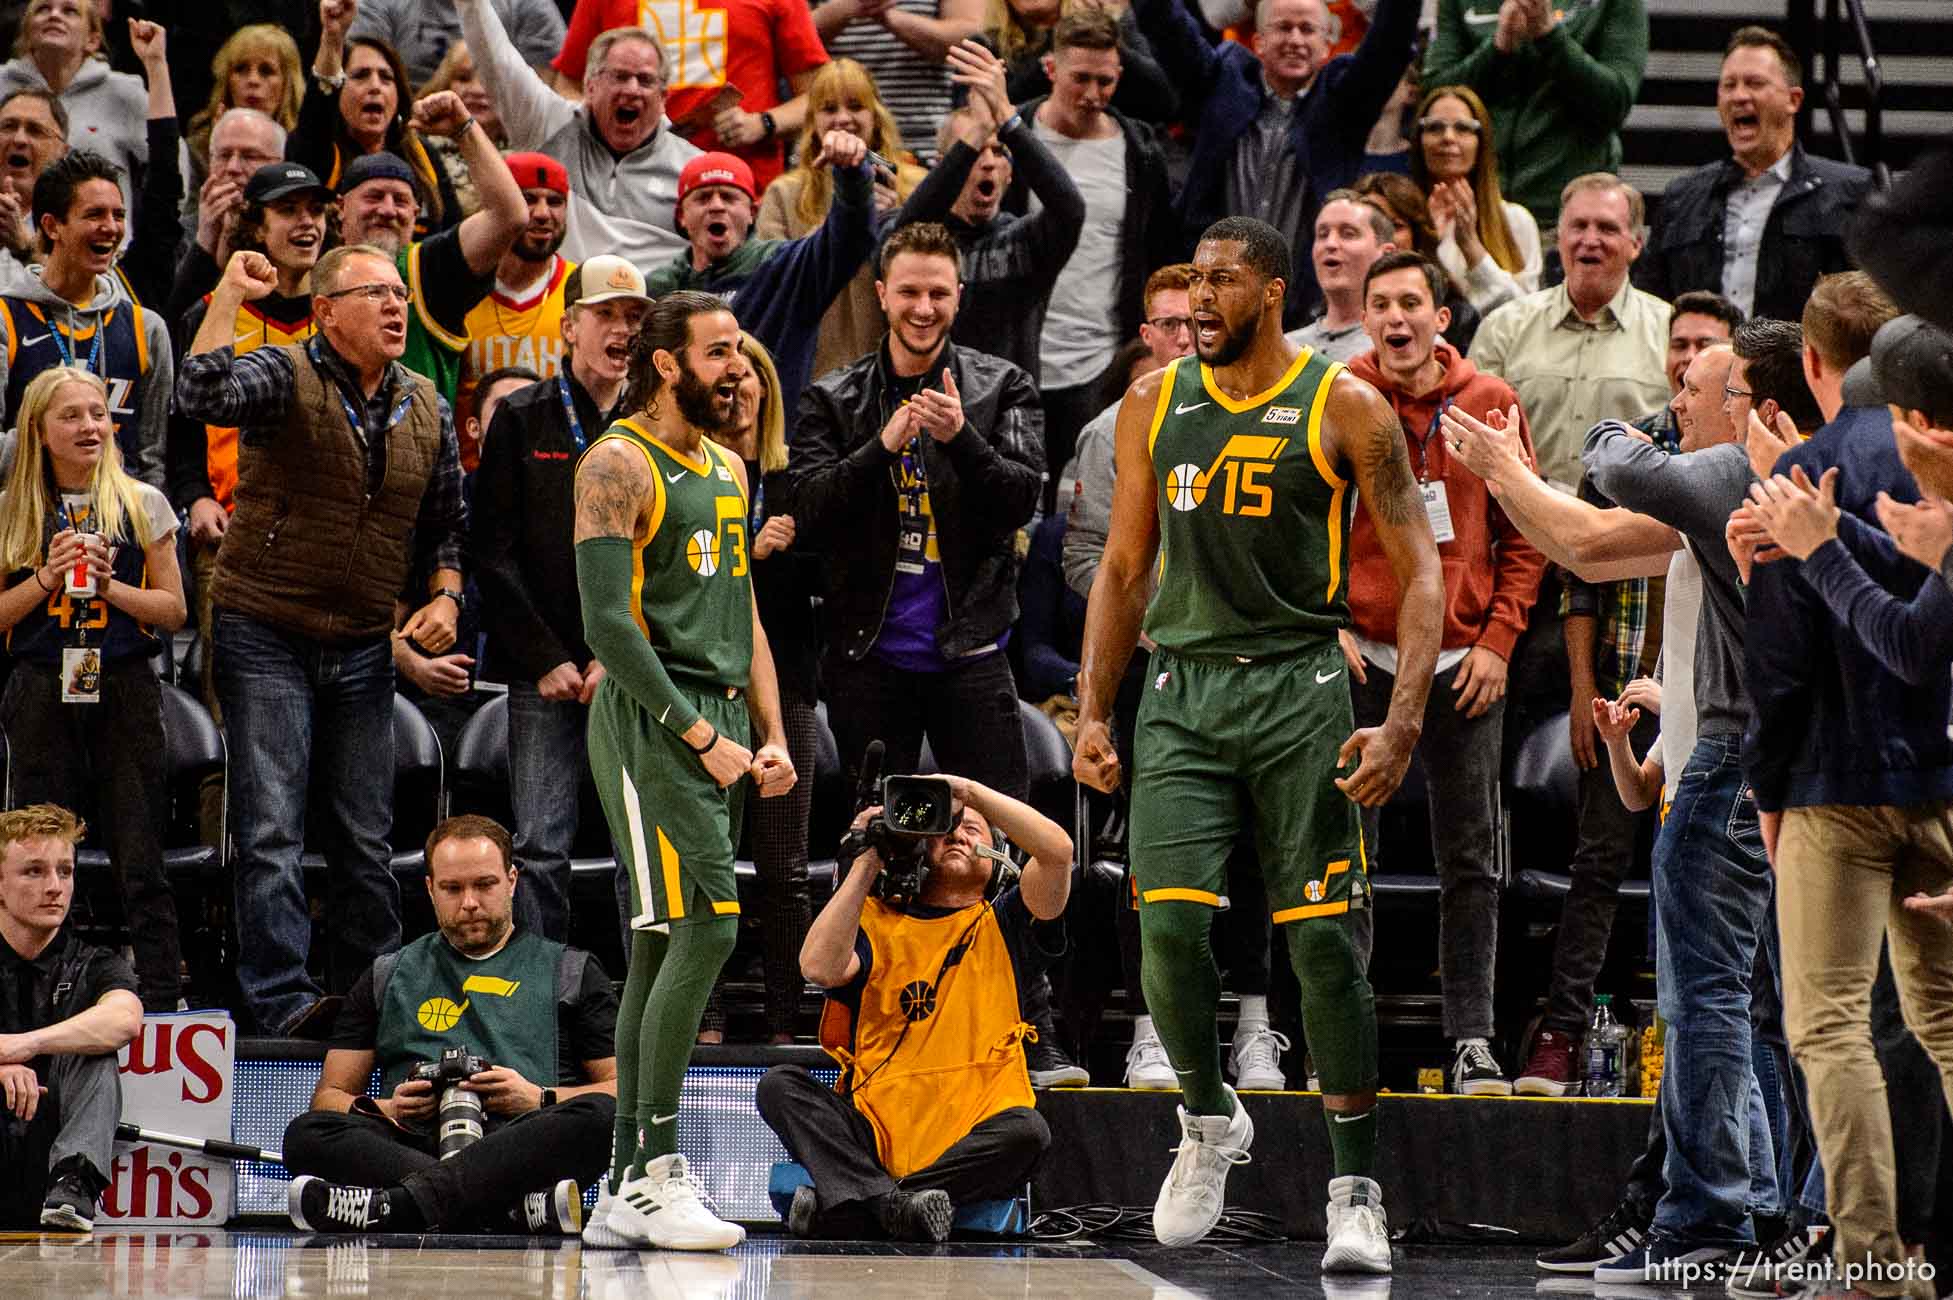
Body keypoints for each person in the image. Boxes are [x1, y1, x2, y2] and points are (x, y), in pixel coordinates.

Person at [1072, 215, 1443, 1267]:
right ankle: (1205, 1118)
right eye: (1192, 281)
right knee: (1167, 934)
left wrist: (1402, 718)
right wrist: (1094, 710)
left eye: (1222, 282)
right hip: (1183, 692)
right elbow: (1123, 565)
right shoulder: (1153, 400)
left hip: (1301, 691)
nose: (1198, 301)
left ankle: (1355, 1188)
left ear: (1274, 293)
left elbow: (1423, 570)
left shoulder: (1348, 407)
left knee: (1323, 943)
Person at [175, 244, 468, 1037]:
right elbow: (199, 391)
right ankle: (280, 1003)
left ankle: (371, 1001)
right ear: (327, 311)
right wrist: (232, 294)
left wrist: (445, 594)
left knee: (365, 835)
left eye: (401, 294)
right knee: (271, 828)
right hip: (264, 626)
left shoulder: (427, 404)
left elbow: (446, 527)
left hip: (365, 639)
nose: (397, 306)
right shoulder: (282, 372)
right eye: (376, 293)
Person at [571, 290, 797, 1251]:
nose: (738, 366)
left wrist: (772, 732)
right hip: (648, 720)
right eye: (718, 351)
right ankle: (656, 1168)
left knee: (662, 942)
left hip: (722, 717)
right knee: (708, 923)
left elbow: (742, 614)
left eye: (739, 349)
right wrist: (695, 735)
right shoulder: (617, 463)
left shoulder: (732, 467)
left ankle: (626, 1181)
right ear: (667, 364)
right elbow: (607, 627)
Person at [1737, 293, 1953, 1299]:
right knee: (1946, 1019)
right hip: (1940, 778)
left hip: (1833, 778)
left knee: (1827, 1023)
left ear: (1818, 361)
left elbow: (1779, 666)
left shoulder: (1799, 473)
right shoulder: (1911, 471)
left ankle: (1870, 1260)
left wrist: (1769, 787)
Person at [1512, 289, 1740, 1100]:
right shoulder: (1670, 459)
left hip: (1719, 742)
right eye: (1675, 350)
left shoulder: (1719, 477)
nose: (1680, 373)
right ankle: (1566, 1034)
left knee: (1722, 999)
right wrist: (1598, 704)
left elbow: (1589, 536)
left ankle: (1728, 1197)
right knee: (1605, 868)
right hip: (1647, 711)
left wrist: (1504, 468)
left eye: (1700, 356)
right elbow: (1582, 570)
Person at [1341, 249, 1545, 1095]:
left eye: (1409, 304)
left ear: (1439, 319)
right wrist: (1323, 627)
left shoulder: (1491, 402)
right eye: (1379, 304)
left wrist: (1498, 640)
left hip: (1463, 663)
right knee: (1342, 858)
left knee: (1471, 860)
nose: (1395, 318)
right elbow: (1296, 527)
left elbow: (1527, 533)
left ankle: (1471, 1039)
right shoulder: (1336, 399)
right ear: (1364, 319)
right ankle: (1338, 1032)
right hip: (1361, 657)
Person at [791, 219, 1043, 830]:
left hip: (972, 650)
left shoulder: (1004, 386)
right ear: (881, 294)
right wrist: (880, 447)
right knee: (880, 842)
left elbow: (1020, 500)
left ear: (960, 294)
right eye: (908, 292)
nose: (923, 308)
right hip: (868, 658)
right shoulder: (831, 398)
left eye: (937, 293)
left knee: (1000, 840)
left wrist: (961, 439)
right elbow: (808, 511)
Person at [759, 775, 1071, 1241]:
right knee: (779, 1085)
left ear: (998, 860)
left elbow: (1058, 852)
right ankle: (895, 1206)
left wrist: (971, 794)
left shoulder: (1006, 921)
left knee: (1029, 1133)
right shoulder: (875, 922)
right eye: (946, 828)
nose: (960, 834)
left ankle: (855, 1203)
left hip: (975, 1125)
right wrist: (868, 859)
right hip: (877, 1128)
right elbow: (817, 966)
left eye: (974, 829)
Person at [281, 816, 619, 1235]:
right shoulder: (387, 973)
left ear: (512, 880)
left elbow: (618, 1090)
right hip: (413, 1138)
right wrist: (387, 1108)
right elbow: (329, 1097)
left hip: (516, 1140)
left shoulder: (571, 969)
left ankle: (397, 1207)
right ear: (430, 889)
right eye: (453, 889)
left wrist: (536, 1097)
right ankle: (508, 1209)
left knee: (600, 1117)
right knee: (305, 1135)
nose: (470, 902)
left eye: (485, 884)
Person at [470, 255, 650, 943]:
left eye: (634, 317)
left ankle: (643, 996)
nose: (621, 330)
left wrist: (622, 651)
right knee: (541, 845)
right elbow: (492, 550)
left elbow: (660, 557)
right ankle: (541, 993)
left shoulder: (656, 422)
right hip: (542, 670)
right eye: (606, 314)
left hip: (633, 669)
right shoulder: (521, 417)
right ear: (569, 324)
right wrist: (544, 656)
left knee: (640, 845)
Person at [0, 367, 186, 1011]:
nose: (90, 427)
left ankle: (161, 1000)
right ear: (40, 431)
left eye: (98, 414)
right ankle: (49, 997)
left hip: (124, 683)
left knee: (141, 850)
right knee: (45, 847)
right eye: (72, 416)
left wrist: (110, 588)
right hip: (40, 684)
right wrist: (46, 579)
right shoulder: (11, 509)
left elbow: (172, 610)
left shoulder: (142, 501)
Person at [1129, 0, 1420, 326]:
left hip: (1302, 312)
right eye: (1283, 28)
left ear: (1327, 46)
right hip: (1208, 305)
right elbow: (1164, 23)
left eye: (1307, 30)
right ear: (1258, 42)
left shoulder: (1344, 103)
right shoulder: (1219, 82)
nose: (1295, 40)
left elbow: (1392, 41)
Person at [698, 333, 822, 1045]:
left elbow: (826, 579)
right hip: (708, 685)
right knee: (708, 861)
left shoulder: (794, 479)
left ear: (768, 391)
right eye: (726, 379)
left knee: (784, 865)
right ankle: (708, 1022)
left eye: (752, 379)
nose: (739, 390)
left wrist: (781, 556)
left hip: (788, 684)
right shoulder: (687, 473)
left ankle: (783, 1025)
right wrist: (754, 549)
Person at [1020, 7, 1177, 510]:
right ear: (1050, 71)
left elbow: (1157, 252)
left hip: (1101, 360)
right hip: (1019, 356)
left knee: (1094, 507)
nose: (1092, 93)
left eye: (1105, 81)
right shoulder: (1014, 138)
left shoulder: (1140, 151)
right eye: (1079, 78)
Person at [641, 137, 877, 438]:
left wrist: (852, 175)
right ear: (681, 217)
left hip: (772, 457)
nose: (716, 206)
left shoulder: (787, 269)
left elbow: (852, 238)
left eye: (728, 197)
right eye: (703, 198)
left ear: (752, 211)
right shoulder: (659, 289)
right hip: (682, 454)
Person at [1636, 26, 1871, 324]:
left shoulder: (1848, 192)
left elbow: (1868, 308)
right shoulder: (1681, 197)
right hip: (1700, 366)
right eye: (1728, 85)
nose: (1739, 96)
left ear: (1794, 100)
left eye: (1754, 83)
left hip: (1796, 366)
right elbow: (1649, 304)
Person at [887, 38, 1083, 385]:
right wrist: (976, 131)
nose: (989, 163)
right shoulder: (921, 244)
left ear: (1010, 172)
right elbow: (903, 231)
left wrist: (1008, 117)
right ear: (946, 166)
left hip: (1010, 412)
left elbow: (1071, 208)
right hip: (929, 401)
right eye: (977, 152)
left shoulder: (1026, 240)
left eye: (999, 152)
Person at [459, 0, 702, 269]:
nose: (632, 90)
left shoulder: (693, 169)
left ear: (663, 97)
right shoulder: (548, 124)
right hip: (556, 305)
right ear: (590, 86)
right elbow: (496, 60)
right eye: (620, 77)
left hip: (652, 306)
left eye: (645, 80)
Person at [0, 804, 143, 1232]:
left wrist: (25, 1045)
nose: (55, 887)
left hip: (48, 1140)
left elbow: (125, 1019)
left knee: (95, 1049)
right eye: (34, 872)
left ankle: (74, 1182)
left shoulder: (92, 961)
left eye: (65, 871)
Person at [0, 150, 174, 490]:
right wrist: (60, 446)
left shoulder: (146, 328)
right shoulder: (7, 319)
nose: (110, 227)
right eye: (94, 214)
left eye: (118, 215)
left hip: (118, 526)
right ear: (52, 226)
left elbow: (152, 459)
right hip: (27, 523)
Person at [758, 58, 927, 381]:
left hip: (897, 373)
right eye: (829, 108)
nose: (843, 119)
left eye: (855, 106)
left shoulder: (916, 185)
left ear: (875, 115)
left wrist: (895, 222)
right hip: (814, 374)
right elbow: (774, 284)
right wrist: (845, 216)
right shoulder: (783, 194)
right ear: (812, 122)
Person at [550, 0, 828, 194]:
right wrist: (605, 123)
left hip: (743, 192)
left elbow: (820, 95)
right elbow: (567, 85)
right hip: (624, 191)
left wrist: (764, 123)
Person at [1422, 0, 1646, 231]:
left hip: (1565, 219)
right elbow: (1434, 94)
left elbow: (1615, 102)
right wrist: (1498, 48)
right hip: (1476, 213)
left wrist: (1549, 36)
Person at [1062, 261, 1193, 603]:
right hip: (1151, 639)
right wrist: (1145, 627)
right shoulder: (1108, 433)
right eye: (1169, 325)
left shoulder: (1252, 416)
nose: (1184, 338)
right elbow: (1084, 556)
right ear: (1147, 335)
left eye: (1196, 323)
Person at [295, 4, 459, 236]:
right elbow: (318, 109)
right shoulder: (317, 150)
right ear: (339, 85)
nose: (375, 87)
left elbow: (453, 234)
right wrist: (333, 37)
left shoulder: (422, 153)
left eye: (386, 78)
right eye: (361, 75)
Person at [457, 151, 573, 443]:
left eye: (555, 201)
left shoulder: (580, 290)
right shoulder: (460, 286)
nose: (543, 213)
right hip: (472, 474)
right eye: (528, 199)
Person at [0, 0, 147, 218]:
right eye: (43, 9)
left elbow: (173, 166)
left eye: (69, 11)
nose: (54, 15)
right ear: (27, 31)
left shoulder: (124, 92)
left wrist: (150, 243)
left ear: (93, 39)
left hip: (104, 243)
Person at [1410, 83, 1541, 315]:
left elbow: (1526, 318)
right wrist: (1428, 245)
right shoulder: (1402, 218)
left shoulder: (1516, 220)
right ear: (1419, 141)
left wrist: (1471, 246)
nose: (1448, 137)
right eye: (1434, 127)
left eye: (1462, 128)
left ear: (1482, 142)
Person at [812, 0, 984, 166]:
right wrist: (847, 7)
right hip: (831, 147)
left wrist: (891, 17)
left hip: (923, 146)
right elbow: (789, 39)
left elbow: (972, 38)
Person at [178, 26, 302, 245]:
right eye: (241, 69)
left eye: (266, 71)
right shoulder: (196, 149)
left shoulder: (302, 150)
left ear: (287, 83)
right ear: (227, 79)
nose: (253, 80)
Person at [1347, 171, 1483, 355]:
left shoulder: (1458, 317)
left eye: (1396, 226)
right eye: (1372, 226)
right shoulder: (1322, 315)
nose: (1385, 237)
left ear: (1417, 237)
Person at [179, 107, 288, 285]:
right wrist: (204, 243)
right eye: (223, 155)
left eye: (250, 156)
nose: (233, 167)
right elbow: (173, 311)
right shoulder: (180, 236)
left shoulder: (296, 232)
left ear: (280, 163)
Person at [1285, 189, 1396, 363]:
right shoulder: (1283, 349)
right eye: (1322, 234)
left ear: (1386, 254)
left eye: (1348, 233)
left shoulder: (1407, 345)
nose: (1330, 244)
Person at [350, 0, 564, 88]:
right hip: (407, 137)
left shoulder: (530, 6)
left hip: (508, 141)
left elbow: (549, 102)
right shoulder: (377, 4)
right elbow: (361, 85)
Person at [417, 40, 511, 218]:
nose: (476, 90)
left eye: (489, 80)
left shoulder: (528, 151)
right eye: (463, 78)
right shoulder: (421, 151)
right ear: (445, 85)